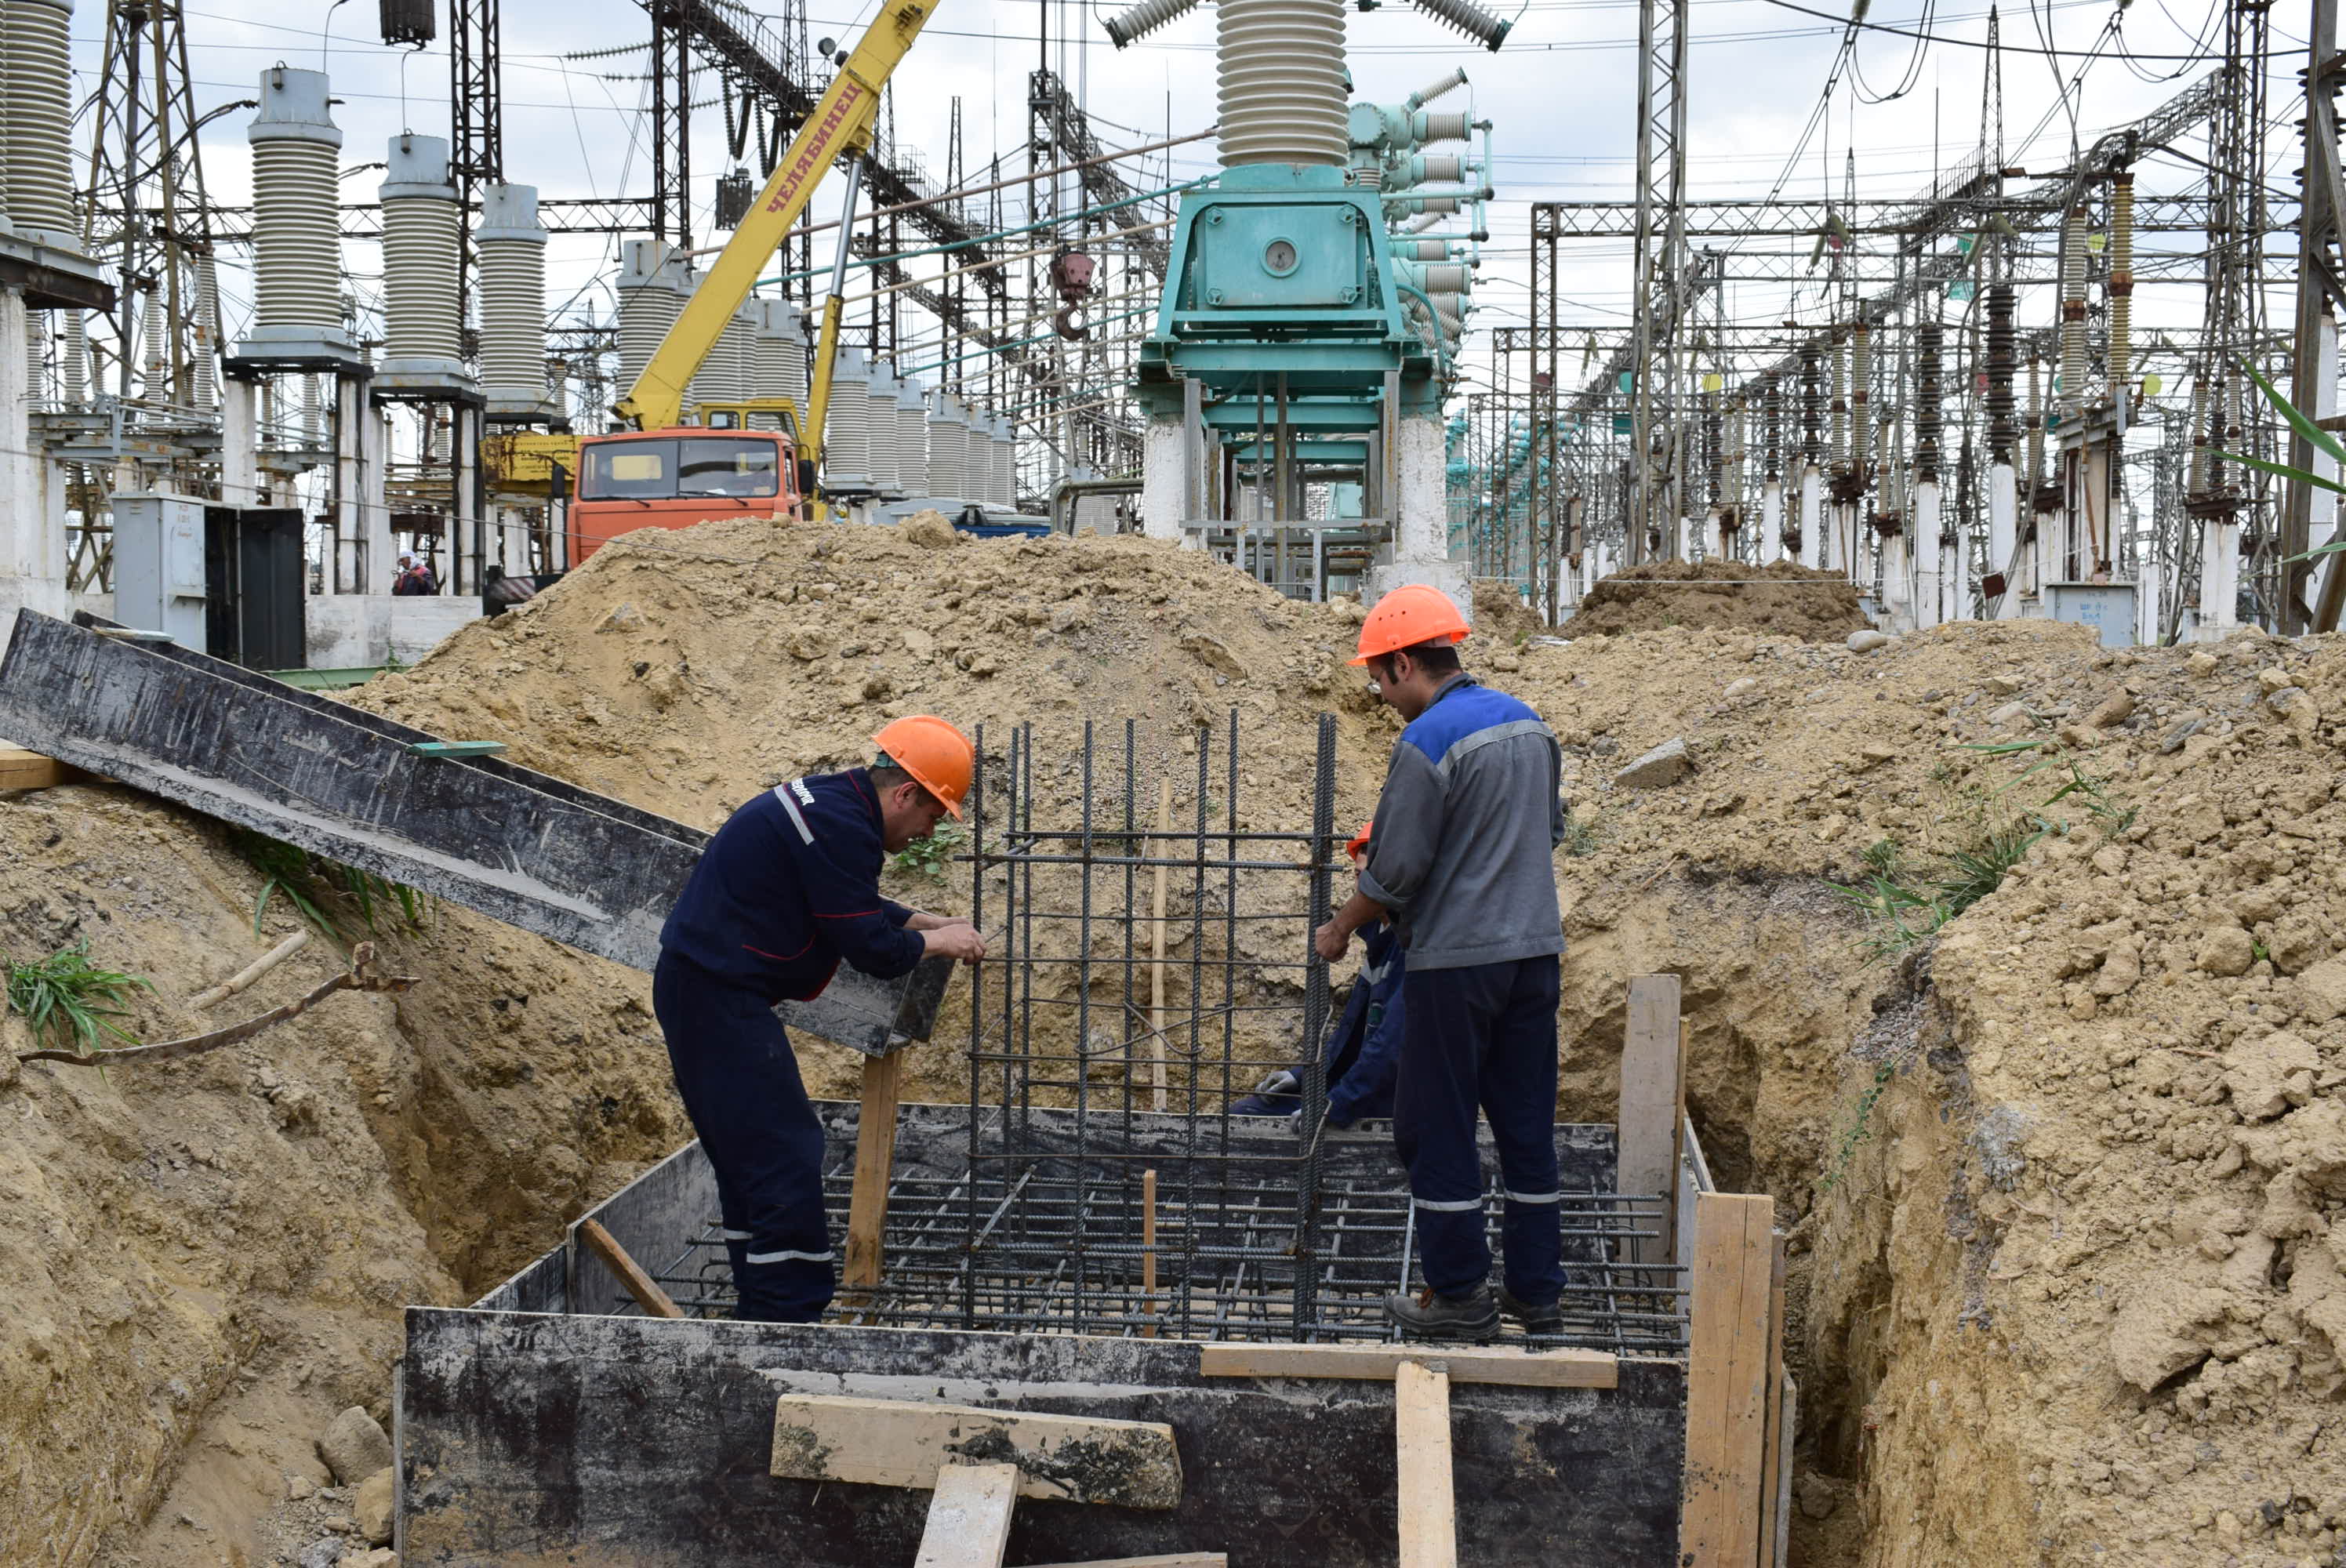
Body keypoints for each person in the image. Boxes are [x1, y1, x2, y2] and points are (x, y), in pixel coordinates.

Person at [652, 715, 986, 1323]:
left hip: (704, 988)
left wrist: (925, 922)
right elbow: (871, 949)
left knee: (751, 1159)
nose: (927, 832)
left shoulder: (834, 804)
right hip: (715, 995)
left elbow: (840, 897)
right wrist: (942, 943)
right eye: (932, 816)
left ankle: (761, 1310)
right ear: (905, 794)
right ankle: (787, 1318)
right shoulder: (843, 826)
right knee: (784, 1152)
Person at [1314, 585, 1568, 1343]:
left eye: (1378, 681)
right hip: (1535, 955)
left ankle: (1459, 1295)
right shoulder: (1528, 723)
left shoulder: (1427, 740)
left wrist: (1340, 928)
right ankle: (1537, 1293)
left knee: (1436, 1124)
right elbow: (1547, 832)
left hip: (1457, 965)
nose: (1382, 698)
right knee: (1526, 1124)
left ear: (1403, 664)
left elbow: (1395, 872)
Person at [1233, 821, 1404, 1128]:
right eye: (1358, 875)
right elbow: (1353, 1040)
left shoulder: (1409, 946)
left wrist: (1336, 1105)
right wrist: (1299, 1077)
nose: (1362, 888)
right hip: (1352, 1091)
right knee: (1242, 1115)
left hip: (1385, 1105)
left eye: (1370, 877)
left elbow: (1391, 1047)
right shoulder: (1378, 939)